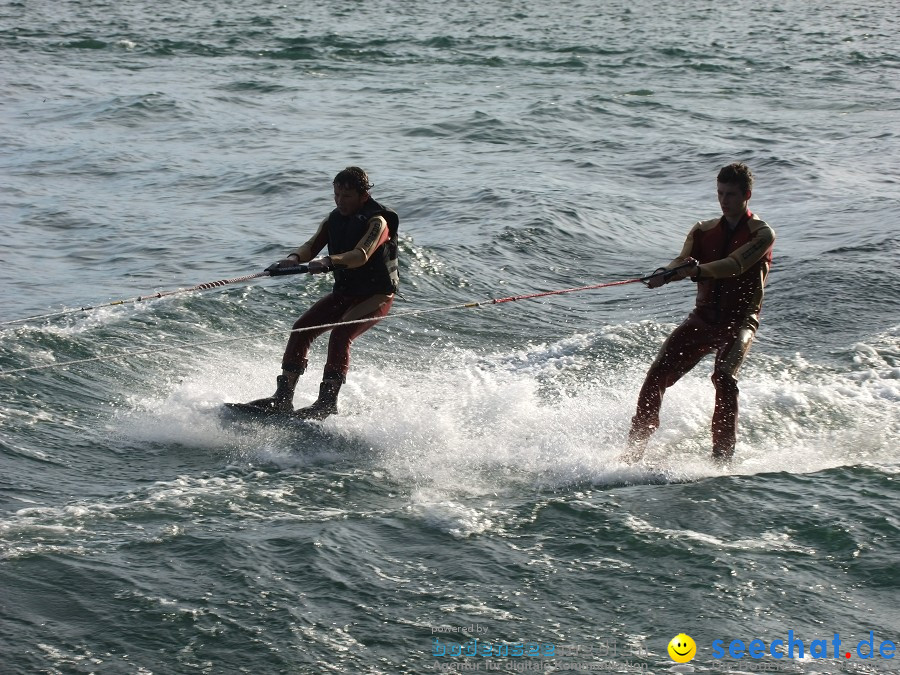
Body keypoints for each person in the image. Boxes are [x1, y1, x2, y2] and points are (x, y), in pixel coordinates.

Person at [626, 162, 775, 463]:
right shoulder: (702, 230)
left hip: (739, 321)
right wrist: (664, 274)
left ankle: (721, 457)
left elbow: (735, 265)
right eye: (720, 193)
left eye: (731, 194)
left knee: (724, 377)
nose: (724, 200)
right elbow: (681, 260)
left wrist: (695, 272)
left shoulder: (761, 234)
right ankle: (634, 449)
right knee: (657, 374)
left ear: (747, 194)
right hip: (703, 317)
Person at [241, 166, 399, 419]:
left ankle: (326, 403)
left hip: (375, 296)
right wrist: (292, 258)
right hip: (345, 292)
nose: (340, 201)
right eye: (336, 195)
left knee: (340, 335)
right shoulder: (334, 218)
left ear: (363, 196)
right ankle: (282, 399)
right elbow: (311, 246)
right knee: (301, 329)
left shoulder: (377, 221)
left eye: (346, 196)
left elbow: (361, 255)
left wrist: (328, 261)